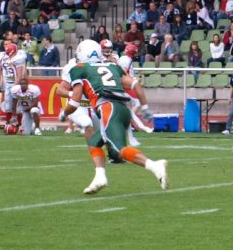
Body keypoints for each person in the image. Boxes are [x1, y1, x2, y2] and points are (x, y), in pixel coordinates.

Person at [60, 39, 168, 194]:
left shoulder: (79, 68)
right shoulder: (113, 65)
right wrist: (144, 108)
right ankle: (100, 177)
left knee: (120, 150)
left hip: (108, 108)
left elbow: (75, 101)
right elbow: (135, 84)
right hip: (124, 109)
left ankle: (154, 165)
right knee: (94, 142)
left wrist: (64, 113)